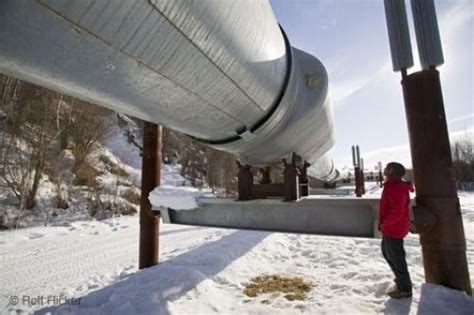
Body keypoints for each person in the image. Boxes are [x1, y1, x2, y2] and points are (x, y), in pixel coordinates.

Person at [379, 162, 414, 299]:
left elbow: (397, 212)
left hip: (393, 228)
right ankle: (401, 281)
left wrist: (384, 223)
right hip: (391, 228)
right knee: (387, 253)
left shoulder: (396, 188)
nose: (385, 169)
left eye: (387, 167)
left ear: (392, 171)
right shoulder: (392, 186)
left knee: (396, 258)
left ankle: (405, 289)